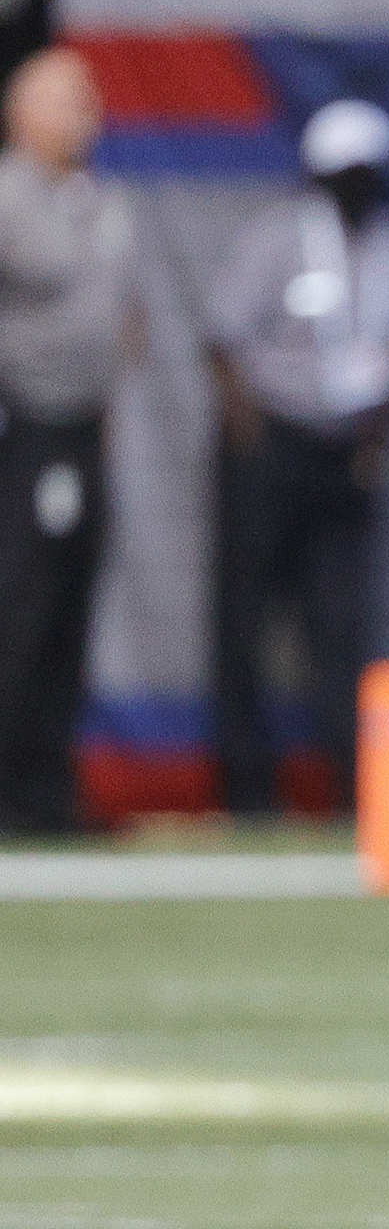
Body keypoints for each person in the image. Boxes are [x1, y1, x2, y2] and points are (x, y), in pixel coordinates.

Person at [206, 98, 389, 818]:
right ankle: (245, 790)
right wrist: (249, 435)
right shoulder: (278, 237)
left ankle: (353, 792)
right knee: (246, 621)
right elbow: (225, 338)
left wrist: (374, 444)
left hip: (346, 452)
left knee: (341, 626)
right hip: (274, 440)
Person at [0, 47, 134, 835]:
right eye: (65, 100)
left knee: (70, 613)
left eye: (88, 98)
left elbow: (115, 312)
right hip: (27, 426)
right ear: (21, 114)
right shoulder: (8, 195)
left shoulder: (96, 198)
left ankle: (47, 790)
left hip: (85, 427)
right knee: (22, 606)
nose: (85, 113)